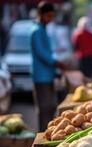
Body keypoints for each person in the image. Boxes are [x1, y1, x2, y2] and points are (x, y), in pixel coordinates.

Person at [30, 1, 67, 131]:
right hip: (41, 77)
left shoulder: (43, 29)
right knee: (45, 108)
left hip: (48, 75)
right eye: (48, 16)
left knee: (51, 106)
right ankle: (42, 135)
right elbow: (41, 53)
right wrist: (56, 63)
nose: (50, 19)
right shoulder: (36, 31)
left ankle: (48, 131)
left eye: (52, 16)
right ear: (41, 14)